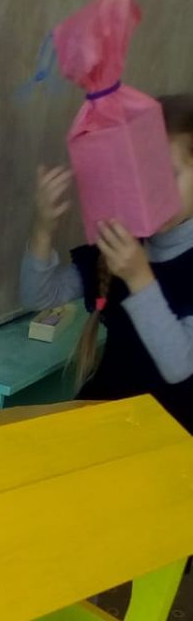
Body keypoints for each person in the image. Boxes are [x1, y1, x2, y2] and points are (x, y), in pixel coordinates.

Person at [18, 93, 193, 432]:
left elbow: (178, 365)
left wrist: (139, 277)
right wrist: (42, 228)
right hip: (107, 422)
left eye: (170, 174)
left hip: (170, 440)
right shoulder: (124, 240)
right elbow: (38, 296)